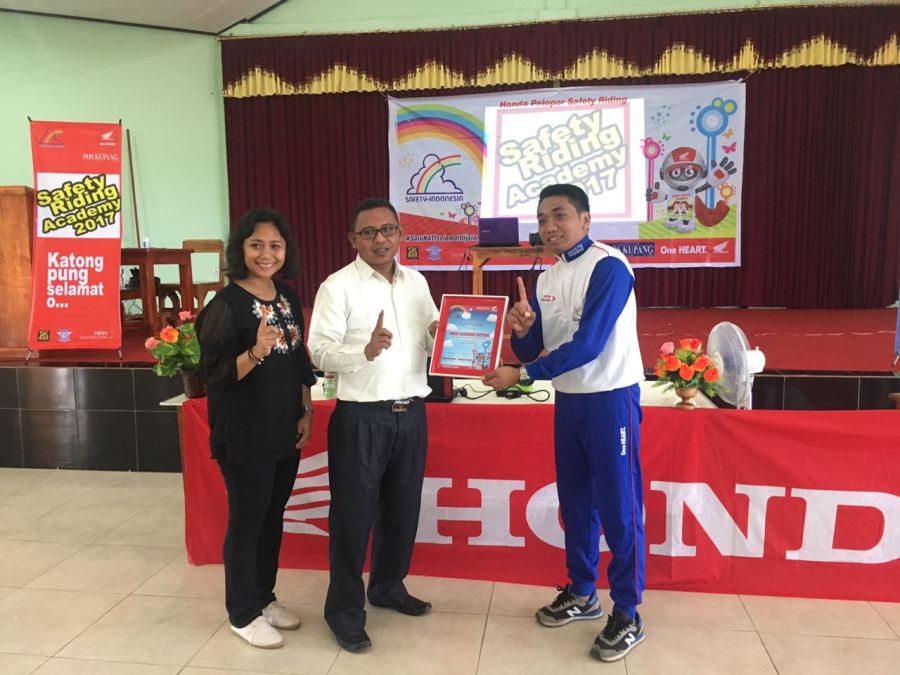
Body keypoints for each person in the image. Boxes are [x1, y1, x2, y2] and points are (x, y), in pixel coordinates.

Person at [482, 184, 646, 662]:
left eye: (560, 215)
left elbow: (590, 344)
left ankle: (628, 611)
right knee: (575, 503)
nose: (550, 226)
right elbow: (534, 348)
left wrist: (522, 372)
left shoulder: (610, 266)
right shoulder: (547, 277)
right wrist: (522, 330)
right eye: (542, 219)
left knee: (619, 507)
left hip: (610, 399)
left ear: (585, 220)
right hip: (570, 401)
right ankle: (582, 591)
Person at [308, 198, 439, 653]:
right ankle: (344, 612)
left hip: (412, 412)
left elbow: (431, 338)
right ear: (354, 240)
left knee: (402, 510)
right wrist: (362, 351)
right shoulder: (337, 286)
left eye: (388, 230)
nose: (380, 239)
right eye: (369, 232)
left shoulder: (417, 282)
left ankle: (387, 587)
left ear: (401, 234)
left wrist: (444, 336)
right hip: (361, 417)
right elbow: (319, 351)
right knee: (352, 517)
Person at [196, 208, 317, 649]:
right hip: (244, 433)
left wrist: (306, 410)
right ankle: (242, 613)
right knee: (248, 521)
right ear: (241, 249)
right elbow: (214, 377)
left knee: (271, 518)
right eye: (257, 245)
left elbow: (300, 360)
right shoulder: (224, 305)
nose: (267, 254)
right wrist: (256, 352)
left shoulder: (286, 296)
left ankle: (264, 597)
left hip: (285, 429)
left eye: (275, 245)